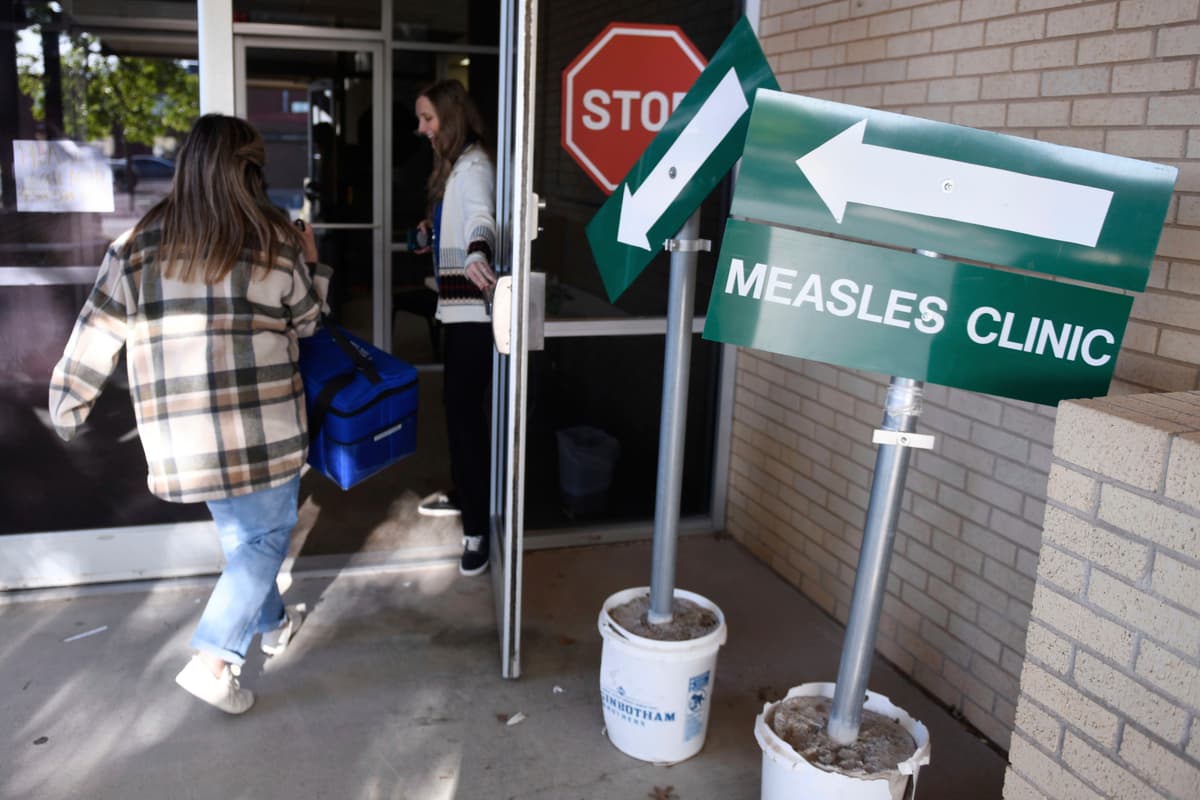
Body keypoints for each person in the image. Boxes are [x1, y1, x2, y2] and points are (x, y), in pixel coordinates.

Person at [48, 114, 332, 715]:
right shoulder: (275, 241)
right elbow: (309, 324)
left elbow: (95, 330)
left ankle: (276, 626)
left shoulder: (135, 246)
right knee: (264, 542)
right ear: (250, 172)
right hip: (265, 431)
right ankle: (212, 660)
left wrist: (67, 406)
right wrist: (317, 263)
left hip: (184, 439)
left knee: (246, 544)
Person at [412, 79, 498, 577]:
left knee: (465, 422)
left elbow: (484, 221)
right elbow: (461, 224)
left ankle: (478, 534)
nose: (422, 129)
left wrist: (477, 252)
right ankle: (468, 498)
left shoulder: (476, 167)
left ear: (450, 115)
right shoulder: (455, 169)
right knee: (457, 417)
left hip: (473, 321)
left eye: (428, 118)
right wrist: (431, 233)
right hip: (456, 314)